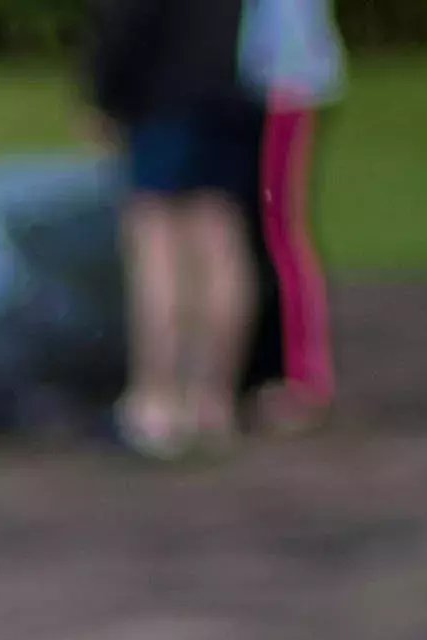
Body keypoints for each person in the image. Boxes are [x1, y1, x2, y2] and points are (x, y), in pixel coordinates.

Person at [86, 0, 258, 459]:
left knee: (155, 245)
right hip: (227, 90)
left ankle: (155, 405)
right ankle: (213, 402)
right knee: (220, 240)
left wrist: (104, 96)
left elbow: (124, 20)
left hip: (160, 94)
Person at [240, 0, 338, 432]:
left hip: (282, 84)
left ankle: (304, 377)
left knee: (280, 227)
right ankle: (264, 366)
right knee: (257, 229)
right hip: (268, 83)